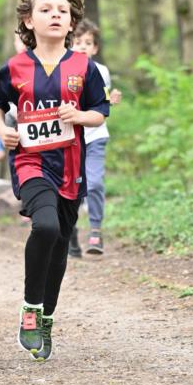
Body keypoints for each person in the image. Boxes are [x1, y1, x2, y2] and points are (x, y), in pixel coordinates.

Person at [0, 0, 109, 361]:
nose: (55, 15)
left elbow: (101, 112)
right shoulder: (15, 67)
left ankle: (47, 316)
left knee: (58, 247)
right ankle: (30, 309)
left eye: (62, 10)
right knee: (46, 225)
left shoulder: (84, 66)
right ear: (28, 21)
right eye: (45, 9)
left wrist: (79, 115)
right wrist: (0, 128)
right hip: (30, 160)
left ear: (71, 23)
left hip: (71, 166)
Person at [69, 19, 122, 257]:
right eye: (77, 42)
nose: (82, 47)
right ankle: (70, 237)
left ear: (95, 48)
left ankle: (96, 230)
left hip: (95, 136)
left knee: (96, 183)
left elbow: (100, 104)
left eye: (88, 43)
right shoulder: (60, 69)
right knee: (71, 187)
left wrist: (111, 101)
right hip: (68, 138)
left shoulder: (101, 72)